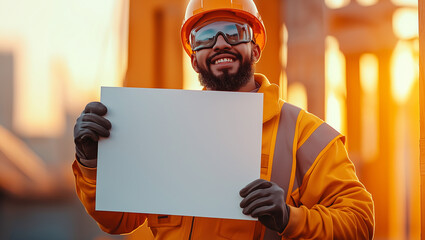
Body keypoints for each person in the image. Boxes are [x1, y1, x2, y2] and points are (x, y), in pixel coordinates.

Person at [72, 0, 375, 239]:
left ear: (254, 48)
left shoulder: (306, 135)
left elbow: (360, 223)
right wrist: (91, 162)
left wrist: (289, 218)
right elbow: (118, 221)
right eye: (204, 37)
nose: (219, 43)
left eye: (233, 32)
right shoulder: (166, 129)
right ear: (193, 59)